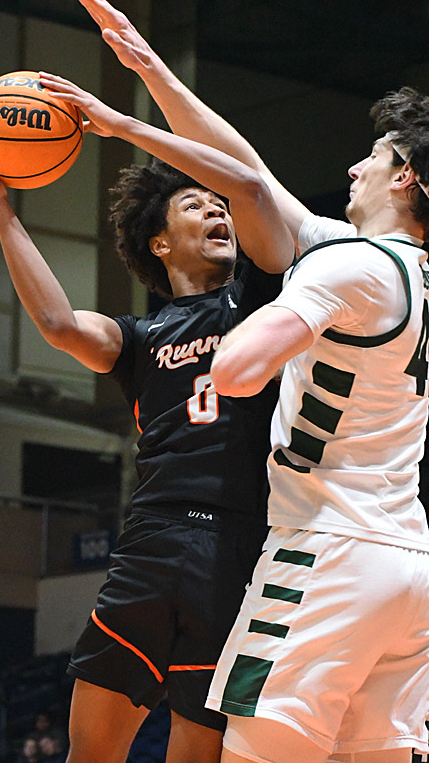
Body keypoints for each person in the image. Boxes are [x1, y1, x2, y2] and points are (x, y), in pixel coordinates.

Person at [0, 70, 293, 763]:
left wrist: (125, 123)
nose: (218, 213)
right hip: (151, 543)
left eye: (216, 206)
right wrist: (1, 207)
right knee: (92, 754)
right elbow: (54, 322)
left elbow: (255, 191)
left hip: (241, 549)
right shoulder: (138, 340)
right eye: (197, 207)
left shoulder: (264, 300)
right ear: (160, 244)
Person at [201, 91, 429, 763]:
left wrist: (291, 312)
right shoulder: (400, 269)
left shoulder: (349, 264)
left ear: (405, 175)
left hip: (325, 548)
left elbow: (236, 371)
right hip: (408, 563)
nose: (354, 169)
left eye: (374, 158)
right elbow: (249, 177)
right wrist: (144, 75)